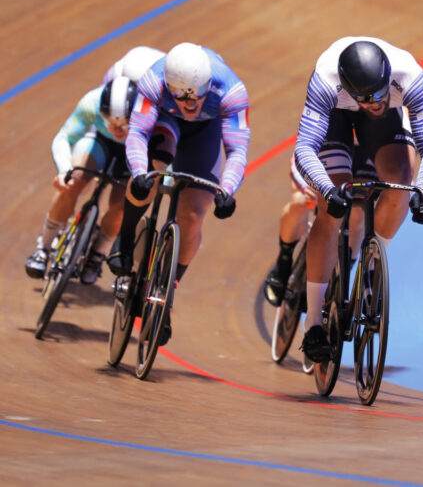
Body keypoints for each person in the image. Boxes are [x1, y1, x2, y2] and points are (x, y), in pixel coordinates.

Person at [293, 36, 423, 362]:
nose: (373, 102)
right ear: (348, 88)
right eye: (364, 97)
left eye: (378, 94)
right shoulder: (325, 83)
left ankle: (373, 262)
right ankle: (314, 323)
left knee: (400, 182)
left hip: (386, 120)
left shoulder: (410, 78)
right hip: (337, 116)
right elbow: (304, 147)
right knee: (329, 208)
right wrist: (328, 190)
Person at [106, 42, 250, 344]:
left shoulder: (232, 91)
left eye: (197, 94)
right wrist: (140, 172)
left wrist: (227, 189)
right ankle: (126, 236)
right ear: (168, 86)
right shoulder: (152, 82)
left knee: (195, 214)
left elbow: (236, 148)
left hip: (204, 134)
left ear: (209, 86)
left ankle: (166, 290)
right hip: (165, 121)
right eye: (182, 94)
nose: (190, 101)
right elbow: (138, 133)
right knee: (153, 171)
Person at [24, 76, 139, 284]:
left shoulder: (149, 114)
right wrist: (64, 171)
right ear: (102, 111)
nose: (117, 130)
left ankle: (97, 255)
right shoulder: (91, 103)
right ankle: (44, 247)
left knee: (122, 205)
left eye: (124, 124)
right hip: (97, 142)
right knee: (74, 181)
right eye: (110, 121)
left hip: (133, 151)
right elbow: (64, 138)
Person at [263, 149, 374, 307]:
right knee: (302, 201)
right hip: (323, 150)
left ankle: (341, 274)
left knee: (359, 213)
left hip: (365, 156)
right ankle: (284, 260)